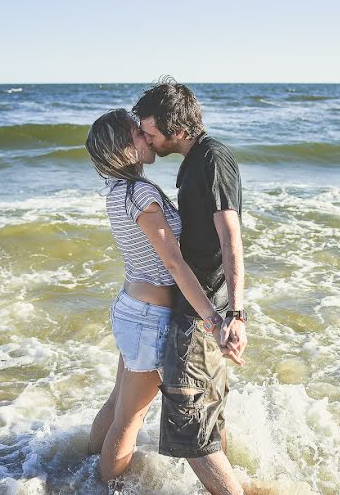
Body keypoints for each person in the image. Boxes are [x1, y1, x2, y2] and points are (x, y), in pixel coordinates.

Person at [84, 109, 243, 483]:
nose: (146, 135)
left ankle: (79, 470)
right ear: (126, 147)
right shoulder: (140, 194)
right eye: (138, 133)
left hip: (134, 308)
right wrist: (213, 317)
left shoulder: (118, 191)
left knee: (118, 404)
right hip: (148, 318)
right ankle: (106, 486)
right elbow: (174, 263)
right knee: (130, 416)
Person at [133, 78, 249, 495]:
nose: (145, 138)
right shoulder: (198, 160)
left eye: (150, 131)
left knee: (190, 427)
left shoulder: (211, 160)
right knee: (209, 418)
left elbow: (230, 238)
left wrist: (234, 315)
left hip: (206, 313)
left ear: (176, 128)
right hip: (208, 312)